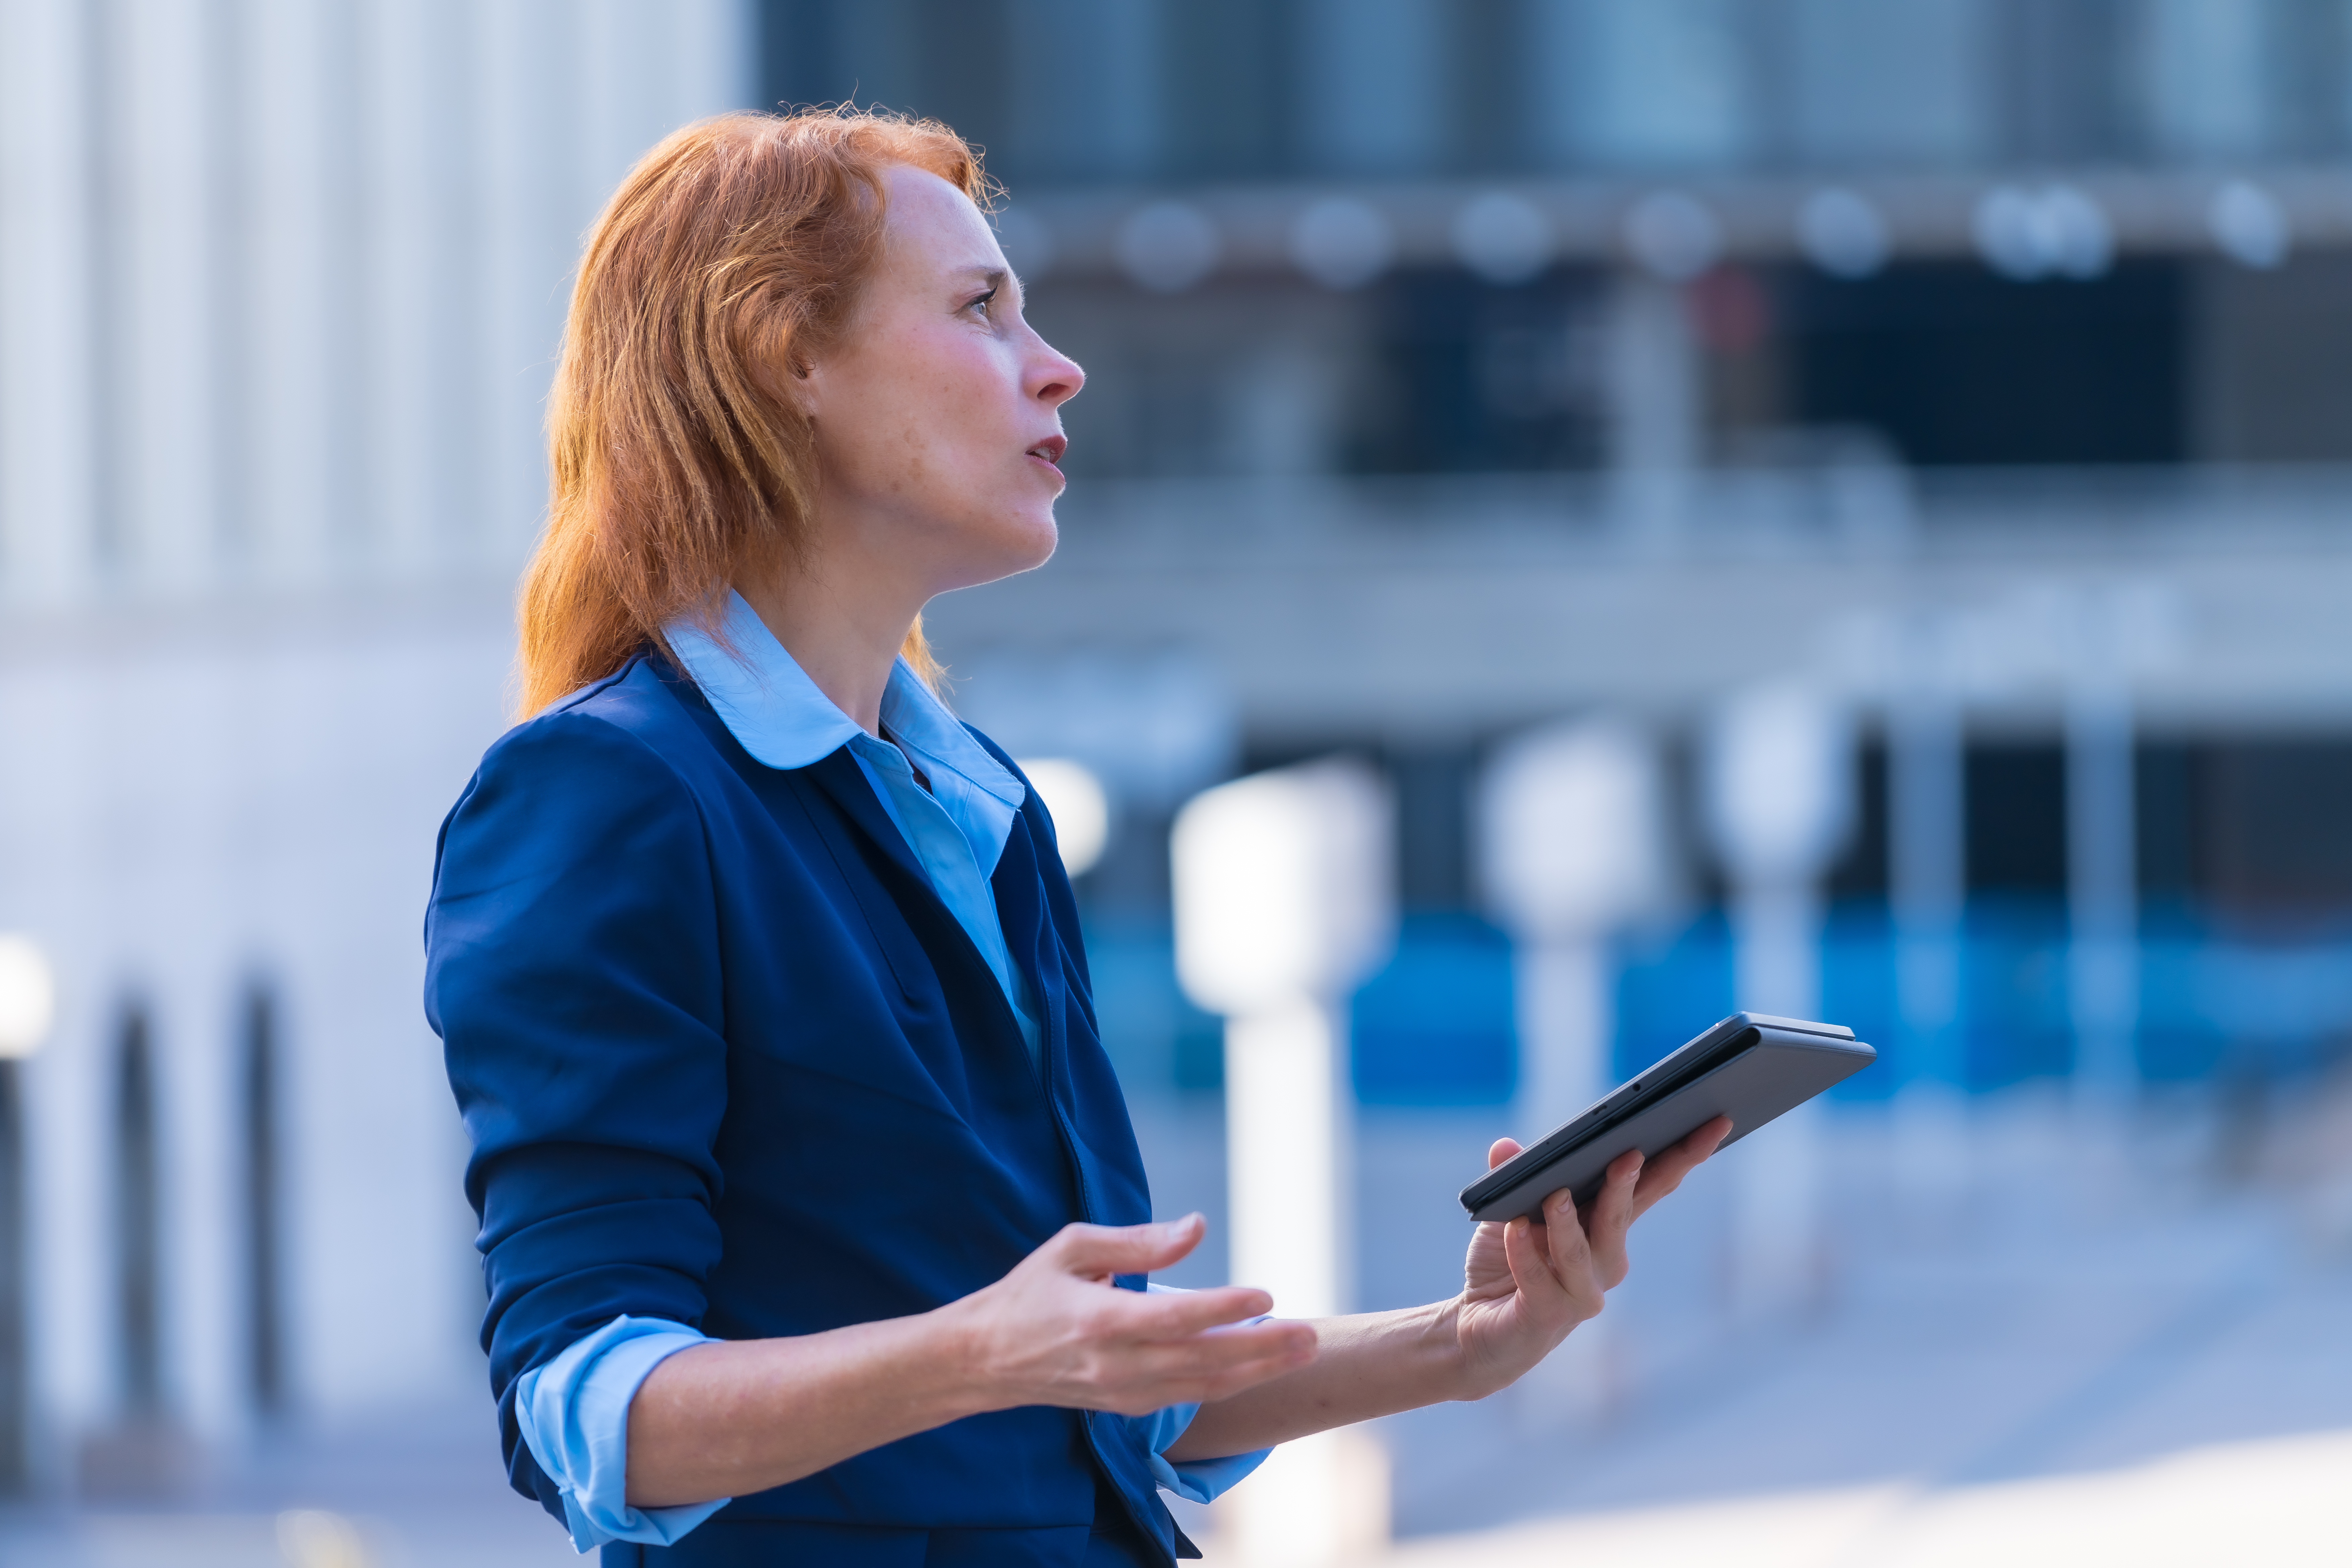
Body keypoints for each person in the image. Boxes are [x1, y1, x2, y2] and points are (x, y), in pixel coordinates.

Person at [427, 107, 1729, 1568]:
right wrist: (978, 1354)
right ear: (783, 357)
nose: (1060, 366)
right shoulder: (605, 799)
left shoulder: (978, 800)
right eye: (982, 310)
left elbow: (1098, 1391)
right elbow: (583, 1411)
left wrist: (1466, 1341)